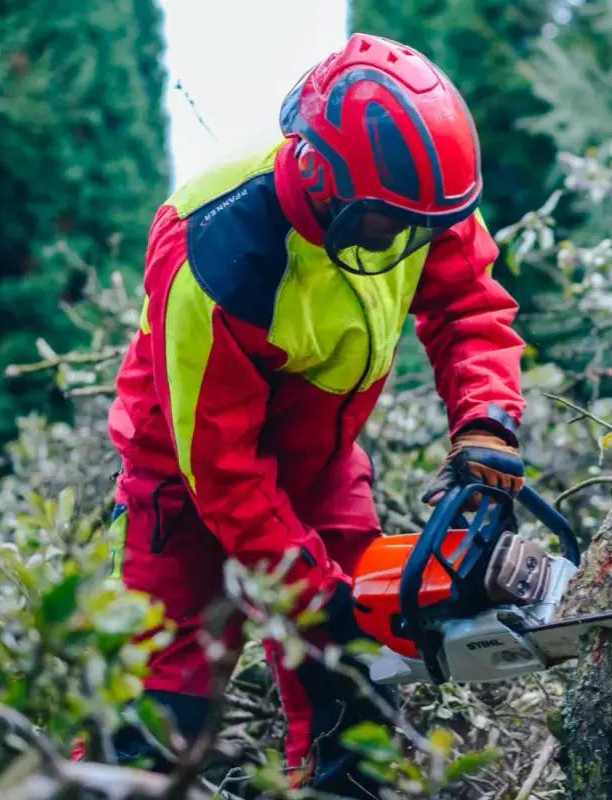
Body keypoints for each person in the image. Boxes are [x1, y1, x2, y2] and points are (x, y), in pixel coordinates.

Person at [102, 32, 528, 798]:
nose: (405, 242)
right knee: (161, 710)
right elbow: (224, 474)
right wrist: (311, 592)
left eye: (419, 226)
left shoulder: (411, 196)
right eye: (386, 227)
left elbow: (468, 304)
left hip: (322, 457)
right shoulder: (221, 250)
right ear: (324, 179)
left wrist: (486, 424)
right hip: (184, 480)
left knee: (355, 675)